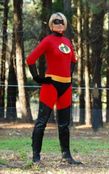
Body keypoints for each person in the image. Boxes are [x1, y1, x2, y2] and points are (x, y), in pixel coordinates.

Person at [26, 12, 82, 165]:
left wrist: (69, 77)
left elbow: (73, 60)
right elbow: (30, 59)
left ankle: (66, 156)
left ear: (65, 25)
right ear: (51, 24)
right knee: (42, 122)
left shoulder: (68, 42)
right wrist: (38, 78)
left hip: (66, 87)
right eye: (56, 21)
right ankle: (36, 157)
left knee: (64, 124)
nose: (59, 24)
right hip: (51, 86)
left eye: (62, 21)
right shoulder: (48, 40)